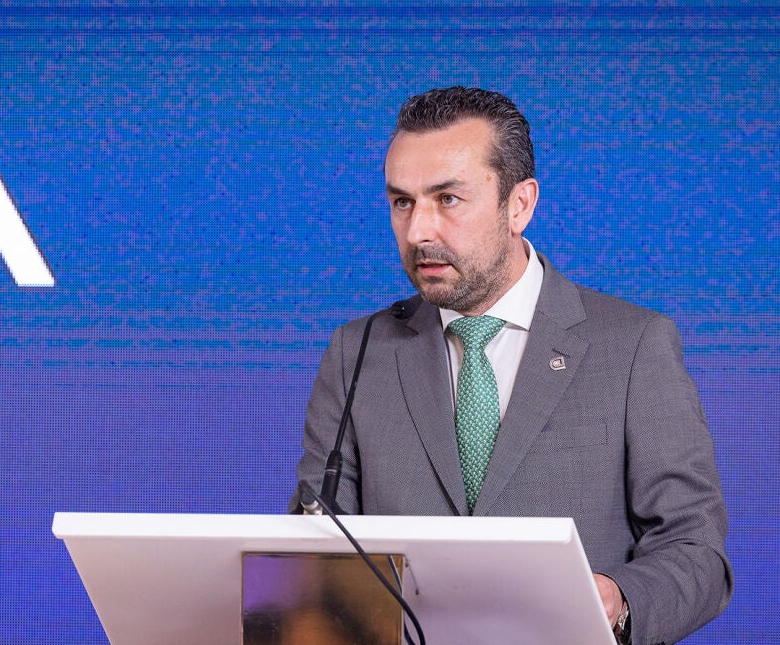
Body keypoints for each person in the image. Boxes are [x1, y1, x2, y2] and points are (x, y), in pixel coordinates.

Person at [293, 87, 732, 644]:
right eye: (402, 202)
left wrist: (620, 597)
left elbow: (696, 551)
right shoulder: (356, 353)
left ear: (519, 205)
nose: (419, 230)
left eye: (447, 199)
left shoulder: (633, 346)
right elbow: (312, 551)